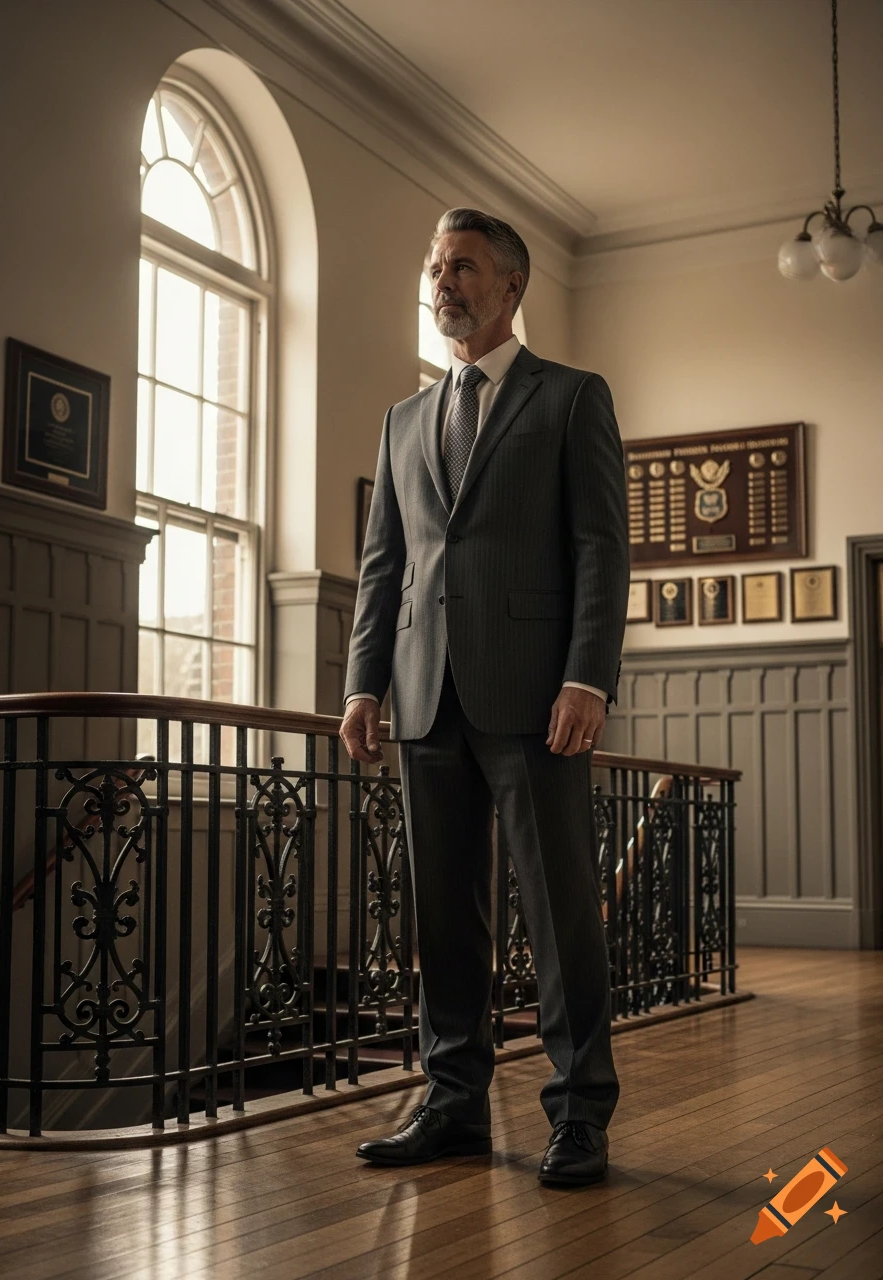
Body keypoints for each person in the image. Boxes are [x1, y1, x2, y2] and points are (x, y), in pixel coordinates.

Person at [339, 207, 629, 1187]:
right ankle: (452, 1100)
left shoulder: (571, 397)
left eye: (460, 265)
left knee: (560, 910)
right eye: (433, 265)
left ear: (509, 286)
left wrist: (587, 674)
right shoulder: (403, 420)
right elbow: (383, 566)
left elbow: (599, 547)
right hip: (423, 699)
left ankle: (578, 1107)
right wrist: (361, 682)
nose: (441, 279)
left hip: (536, 698)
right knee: (441, 916)